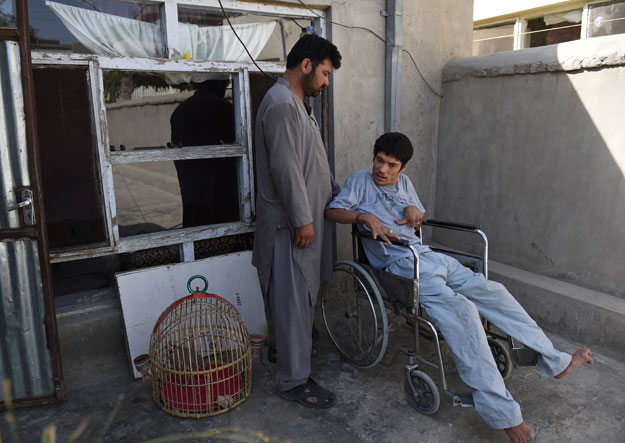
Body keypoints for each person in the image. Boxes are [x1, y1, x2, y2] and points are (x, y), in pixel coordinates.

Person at [325, 132, 593, 442]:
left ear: (404, 167)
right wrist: (364, 217)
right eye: (379, 160)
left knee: (495, 293)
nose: (382, 169)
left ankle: (554, 360)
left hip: (430, 258)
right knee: (464, 313)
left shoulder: (406, 185)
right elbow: (331, 212)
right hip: (402, 266)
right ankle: (505, 416)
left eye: (391, 164)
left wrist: (416, 214)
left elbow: (417, 218)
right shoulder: (360, 181)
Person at [252, 34, 342, 408]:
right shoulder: (281, 105)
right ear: (305, 66)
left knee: (298, 299)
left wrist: (340, 195)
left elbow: (312, 164)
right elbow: (286, 169)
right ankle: (293, 381)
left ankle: (283, 354)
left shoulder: (297, 105)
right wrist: (304, 220)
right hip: (291, 228)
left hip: (304, 225)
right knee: (293, 301)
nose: (325, 82)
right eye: (323, 73)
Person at [171, 79, 239, 227]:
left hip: (192, 189)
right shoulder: (225, 109)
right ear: (218, 85)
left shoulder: (180, 110)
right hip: (222, 192)